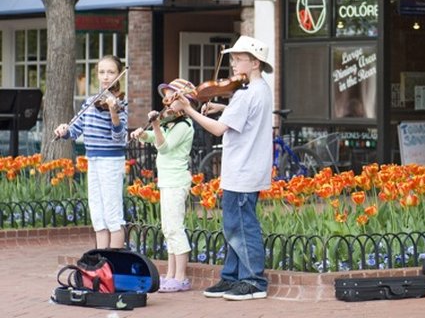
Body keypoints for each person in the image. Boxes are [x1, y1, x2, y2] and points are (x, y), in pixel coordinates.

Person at [169, 36, 273, 301]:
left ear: (255, 62)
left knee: (241, 227)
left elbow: (217, 129)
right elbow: (245, 116)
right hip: (247, 170)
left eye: (239, 58)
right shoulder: (260, 88)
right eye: (234, 57)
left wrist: (188, 109)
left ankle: (253, 281)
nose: (234, 63)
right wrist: (221, 106)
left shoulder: (246, 93)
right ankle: (232, 277)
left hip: (242, 171)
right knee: (234, 226)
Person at [130, 78, 197, 293]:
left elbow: (164, 147)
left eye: (172, 96)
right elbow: (156, 137)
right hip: (168, 181)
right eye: (166, 97)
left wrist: (156, 126)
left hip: (177, 181)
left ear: (184, 100)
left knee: (176, 228)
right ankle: (170, 274)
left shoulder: (184, 125)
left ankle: (181, 276)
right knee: (168, 228)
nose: (167, 101)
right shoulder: (171, 122)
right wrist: (144, 134)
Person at [54, 55, 128, 249]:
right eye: (102, 72)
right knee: (98, 213)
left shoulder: (121, 103)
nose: (106, 76)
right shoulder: (89, 102)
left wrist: (113, 112)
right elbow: (76, 129)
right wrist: (64, 130)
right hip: (92, 160)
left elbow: (120, 138)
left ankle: (116, 262)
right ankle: (102, 260)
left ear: (119, 75)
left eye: (111, 72)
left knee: (112, 214)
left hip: (111, 162)